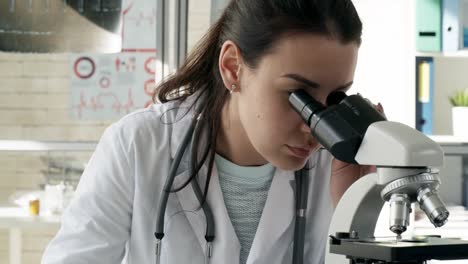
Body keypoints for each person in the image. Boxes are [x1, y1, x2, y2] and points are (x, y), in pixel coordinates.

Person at [42, 0, 383, 263]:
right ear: (233, 68)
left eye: (335, 99)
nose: (315, 126)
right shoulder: (137, 146)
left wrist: (353, 210)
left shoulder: (335, 169)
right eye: (300, 97)